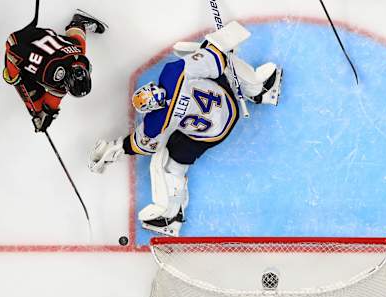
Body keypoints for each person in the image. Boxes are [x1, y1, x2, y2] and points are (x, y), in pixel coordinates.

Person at [89, 22, 283, 236]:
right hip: (227, 103)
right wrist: (217, 43)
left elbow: (141, 145)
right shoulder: (173, 73)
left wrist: (116, 148)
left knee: (170, 166)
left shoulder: (158, 121)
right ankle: (261, 88)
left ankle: (170, 216)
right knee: (223, 61)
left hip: (211, 134)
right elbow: (214, 56)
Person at [3, 8, 107, 132]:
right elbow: (13, 51)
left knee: (79, 47)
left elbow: (58, 92)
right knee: (34, 105)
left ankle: (78, 23)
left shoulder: (83, 61)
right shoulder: (47, 72)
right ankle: (15, 78)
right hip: (18, 41)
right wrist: (13, 76)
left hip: (48, 38)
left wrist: (49, 114)